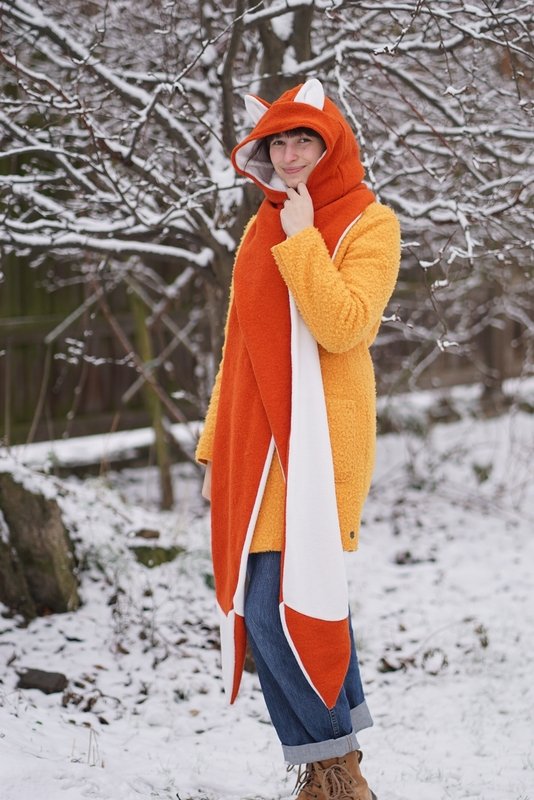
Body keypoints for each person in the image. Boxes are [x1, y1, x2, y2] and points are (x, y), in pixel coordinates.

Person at [195, 78, 400, 800]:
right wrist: (215, 447)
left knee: (280, 607)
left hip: (317, 443)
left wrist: (305, 237)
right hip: (257, 442)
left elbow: (345, 326)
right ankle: (335, 764)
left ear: (330, 144)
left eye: (302, 140)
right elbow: (239, 346)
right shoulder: (264, 223)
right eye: (277, 142)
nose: (288, 155)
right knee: (281, 605)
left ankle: (334, 770)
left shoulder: (370, 223)